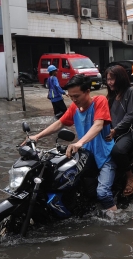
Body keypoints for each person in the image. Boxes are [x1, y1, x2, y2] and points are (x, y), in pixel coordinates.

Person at [25, 74, 117, 213]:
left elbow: (98, 125)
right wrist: (37, 136)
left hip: (105, 155)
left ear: (87, 91)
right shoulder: (74, 107)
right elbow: (60, 123)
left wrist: (79, 143)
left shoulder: (99, 101)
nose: (74, 100)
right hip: (86, 155)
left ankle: (116, 218)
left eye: (77, 96)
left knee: (103, 193)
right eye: (70, 96)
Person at [105, 65, 133, 197]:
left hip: (129, 132)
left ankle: (130, 177)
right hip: (114, 132)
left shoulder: (130, 92)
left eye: (112, 79)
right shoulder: (111, 95)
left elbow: (130, 115)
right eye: (107, 79)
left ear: (120, 78)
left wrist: (115, 130)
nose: (109, 82)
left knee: (117, 151)